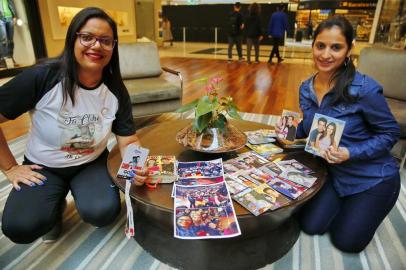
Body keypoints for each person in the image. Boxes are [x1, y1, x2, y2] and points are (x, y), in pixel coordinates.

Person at [0, 7, 149, 244]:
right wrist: (9, 168)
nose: (96, 46)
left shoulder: (116, 90)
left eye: (105, 41)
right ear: (73, 39)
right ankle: (54, 207)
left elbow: (128, 139)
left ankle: (73, 196)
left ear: (113, 47)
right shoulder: (43, 76)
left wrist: (135, 168)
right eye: (87, 37)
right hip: (43, 167)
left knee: (103, 212)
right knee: (20, 226)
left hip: (91, 163)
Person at [296, 16, 400, 253]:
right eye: (320, 45)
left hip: (373, 178)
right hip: (334, 174)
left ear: (349, 49)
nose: (325, 54)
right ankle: (345, 206)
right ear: (312, 45)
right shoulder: (306, 87)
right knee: (310, 225)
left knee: (346, 242)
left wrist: (350, 152)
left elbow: (390, 133)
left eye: (336, 47)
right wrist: (290, 127)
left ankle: (362, 207)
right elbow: (311, 126)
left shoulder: (365, 89)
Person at [0, 0, 17, 67]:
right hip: (0, 19)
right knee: (3, 40)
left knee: (10, 40)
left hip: (9, 17)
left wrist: (14, 15)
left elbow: (11, 3)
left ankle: (10, 57)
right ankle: (3, 59)